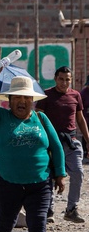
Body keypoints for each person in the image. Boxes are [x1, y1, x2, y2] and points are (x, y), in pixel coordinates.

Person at [0, 69, 66, 232]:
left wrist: (60, 174)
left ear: (32, 100)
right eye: (16, 97)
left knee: (38, 222)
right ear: (9, 101)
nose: (21, 101)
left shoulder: (41, 118)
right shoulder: (0, 117)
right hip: (8, 182)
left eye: (26, 97)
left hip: (40, 182)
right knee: (5, 221)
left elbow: (56, 147)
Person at [35, 66, 88, 223]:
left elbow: (80, 119)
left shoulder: (76, 95)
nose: (64, 82)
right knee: (50, 176)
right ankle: (48, 209)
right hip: (51, 142)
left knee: (78, 172)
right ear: (55, 79)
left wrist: (88, 139)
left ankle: (71, 209)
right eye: (61, 79)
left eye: (67, 79)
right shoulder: (46, 95)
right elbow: (38, 118)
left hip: (70, 142)